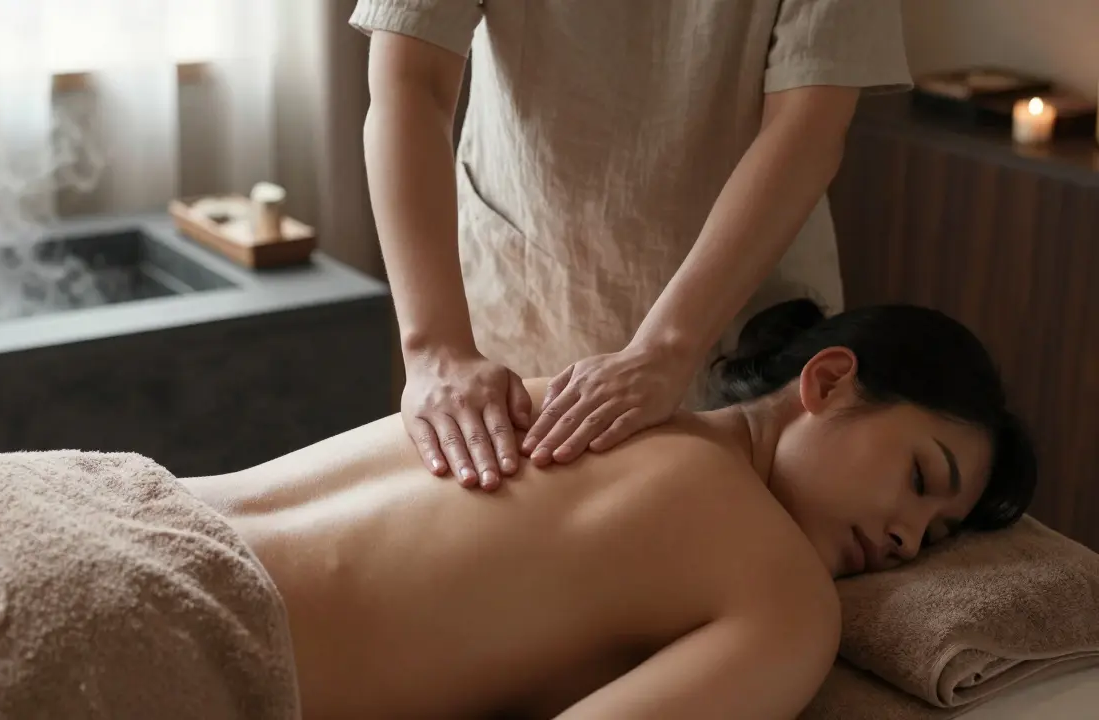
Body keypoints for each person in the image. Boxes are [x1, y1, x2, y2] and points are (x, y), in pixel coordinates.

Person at [181, 300, 1036, 719]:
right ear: (828, 381)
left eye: (934, 537)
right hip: (174, 645)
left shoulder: (570, 395)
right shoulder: (785, 599)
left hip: (120, 499)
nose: (904, 540)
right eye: (923, 479)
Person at [350, 0, 915, 490]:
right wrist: (435, 347)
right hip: (525, 295)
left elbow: (806, 127)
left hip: (743, 318)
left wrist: (665, 350)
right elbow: (411, 83)